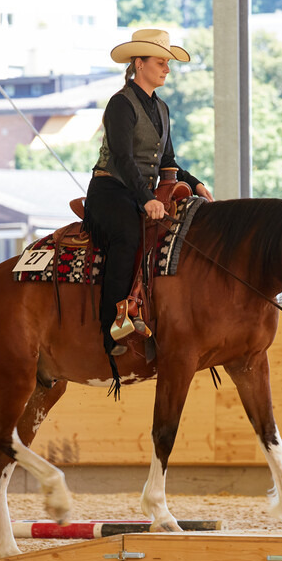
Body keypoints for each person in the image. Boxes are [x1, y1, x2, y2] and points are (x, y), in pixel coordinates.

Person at [84, 29, 214, 358]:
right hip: (110, 190)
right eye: (161, 62)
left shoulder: (163, 109)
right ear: (139, 64)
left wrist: (195, 183)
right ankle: (110, 328)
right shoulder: (120, 104)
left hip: (140, 194)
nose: (167, 69)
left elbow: (167, 162)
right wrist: (147, 199)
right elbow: (123, 159)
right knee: (128, 237)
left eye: (168, 63)